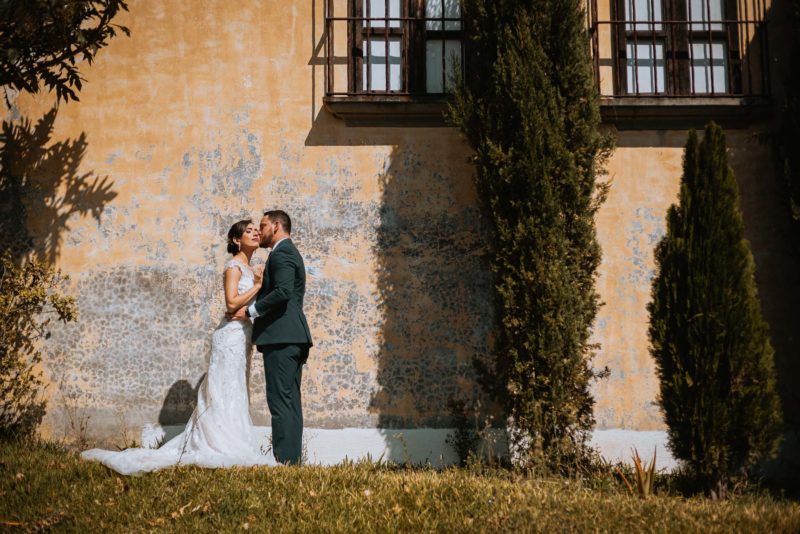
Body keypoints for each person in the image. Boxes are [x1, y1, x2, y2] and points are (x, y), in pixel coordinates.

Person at [81, 220, 277, 475]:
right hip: (229, 336)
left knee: (237, 388)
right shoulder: (234, 266)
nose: (255, 233)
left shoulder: (250, 268)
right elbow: (230, 303)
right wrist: (258, 286)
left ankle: (235, 440)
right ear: (237, 240)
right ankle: (219, 443)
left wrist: (256, 289)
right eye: (248, 231)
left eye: (256, 230)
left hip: (243, 335)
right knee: (224, 389)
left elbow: (246, 305)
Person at [229, 210, 313, 465]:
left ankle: (285, 461)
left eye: (263, 225)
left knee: (281, 401)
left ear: (276, 226)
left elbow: (284, 291)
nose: (260, 230)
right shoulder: (284, 253)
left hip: (282, 336)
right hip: (290, 337)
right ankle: (291, 460)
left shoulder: (283, 253)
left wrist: (251, 311)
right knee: (288, 400)